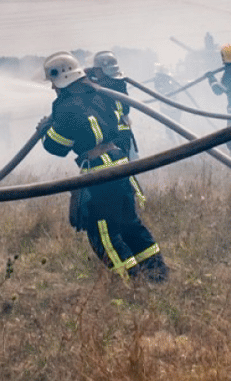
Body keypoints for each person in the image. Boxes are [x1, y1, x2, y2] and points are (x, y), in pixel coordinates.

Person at [41, 51, 168, 282]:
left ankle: (129, 283)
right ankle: (158, 276)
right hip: (121, 167)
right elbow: (120, 125)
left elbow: (57, 147)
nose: (52, 89)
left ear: (62, 80)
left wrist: (44, 131)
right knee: (130, 225)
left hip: (100, 175)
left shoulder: (65, 108)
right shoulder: (100, 93)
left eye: (53, 83)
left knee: (103, 234)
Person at [85, 50, 138, 159]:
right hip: (124, 132)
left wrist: (85, 76)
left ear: (103, 70)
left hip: (116, 135)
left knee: (122, 168)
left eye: (97, 69)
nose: (95, 72)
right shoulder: (117, 82)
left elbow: (93, 87)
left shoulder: (105, 86)